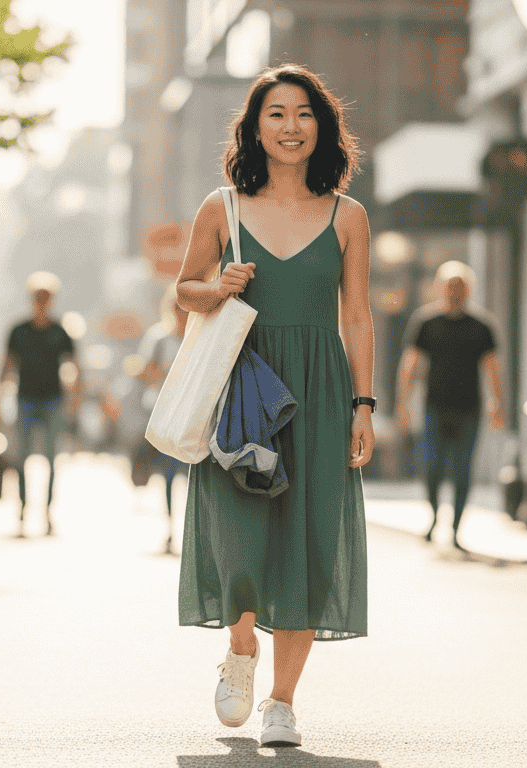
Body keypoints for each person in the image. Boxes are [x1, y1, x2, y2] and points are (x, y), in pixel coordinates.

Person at [175, 63, 373, 749]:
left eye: (304, 114)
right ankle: (241, 646)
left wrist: (364, 404)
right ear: (255, 129)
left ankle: (282, 702)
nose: (291, 127)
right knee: (239, 534)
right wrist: (219, 286)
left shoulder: (349, 217)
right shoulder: (220, 208)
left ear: (323, 127)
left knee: (311, 541)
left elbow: (359, 317)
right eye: (277, 115)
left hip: (319, 391)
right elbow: (184, 291)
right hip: (244, 389)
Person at [395, 261, 507, 550]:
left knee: (462, 470)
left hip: (470, 409)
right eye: (449, 285)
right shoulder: (426, 323)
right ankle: (434, 517)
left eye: (460, 286)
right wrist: (403, 404)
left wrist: (498, 405)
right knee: (432, 467)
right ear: (439, 288)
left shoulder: (482, 327)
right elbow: (411, 365)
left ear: (468, 290)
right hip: (435, 407)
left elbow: (493, 368)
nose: (454, 291)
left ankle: (456, 528)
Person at [0, 272, 81, 537]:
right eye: (37, 296)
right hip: (25, 400)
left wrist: (74, 399)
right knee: (21, 457)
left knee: (53, 459)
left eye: (46, 296)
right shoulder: (18, 331)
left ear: (52, 299)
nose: (41, 301)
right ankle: (22, 510)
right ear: (31, 298)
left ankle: (47, 513)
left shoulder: (60, 332)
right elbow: (6, 366)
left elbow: (73, 368)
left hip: (53, 401)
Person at [134, 286, 190, 553]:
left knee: (191, 476)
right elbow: (145, 371)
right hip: (164, 414)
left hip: (191, 415)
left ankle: (191, 531)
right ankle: (169, 528)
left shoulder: (196, 336)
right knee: (167, 475)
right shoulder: (159, 338)